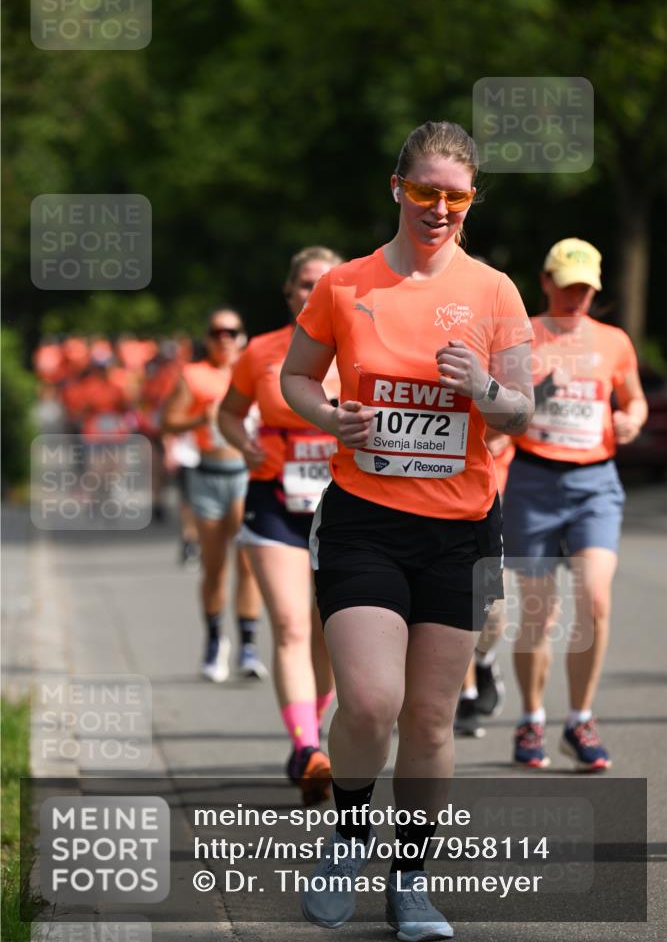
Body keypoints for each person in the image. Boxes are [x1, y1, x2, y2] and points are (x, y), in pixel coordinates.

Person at [280, 120, 534, 938]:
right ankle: (349, 835)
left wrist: (483, 387)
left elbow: (521, 410)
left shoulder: (493, 291)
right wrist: (331, 418)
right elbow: (295, 377)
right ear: (397, 188)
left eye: (456, 196)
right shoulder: (344, 285)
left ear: (471, 201)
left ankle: (411, 881)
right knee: (369, 702)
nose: (439, 208)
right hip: (364, 522)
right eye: (425, 191)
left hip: (460, 531)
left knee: (428, 719)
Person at [500, 238, 647, 771]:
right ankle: (532, 718)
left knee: (595, 600)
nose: (576, 297)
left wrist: (630, 419)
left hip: (595, 484)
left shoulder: (613, 341)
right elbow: (500, 413)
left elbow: (633, 398)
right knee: (539, 613)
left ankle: (580, 718)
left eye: (585, 289)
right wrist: (538, 392)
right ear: (546, 282)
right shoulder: (521, 336)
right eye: (567, 286)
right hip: (533, 480)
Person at [218, 246, 341, 807]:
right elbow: (228, 411)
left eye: (326, 282)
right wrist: (244, 444)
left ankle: (309, 732)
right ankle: (308, 749)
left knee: (329, 632)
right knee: (291, 625)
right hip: (275, 502)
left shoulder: (362, 347)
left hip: (345, 507)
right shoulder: (262, 351)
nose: (315, 292)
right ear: (290, 292)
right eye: (305, 284)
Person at [162, 309, 266, 682]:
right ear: (207, 338)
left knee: (249, 564)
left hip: (244, 475)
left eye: (231, 332)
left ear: (242, 336)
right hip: (207, 475)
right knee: (214, 566)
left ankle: (248, 647)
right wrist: (200, 418)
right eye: (217, 332)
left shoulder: (255, 370)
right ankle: (213, 641)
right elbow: (167, 421)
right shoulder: (194, 375)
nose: (224, 338)